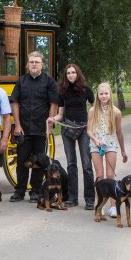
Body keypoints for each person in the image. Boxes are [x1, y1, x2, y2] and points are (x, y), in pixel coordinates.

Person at [9, 51, 59, 202]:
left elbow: (54, 103)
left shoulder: (49, 82)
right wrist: (17, 125)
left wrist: (49, 124)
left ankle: (36, 191)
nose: (34, 64)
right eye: (32, 62)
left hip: (41, 129)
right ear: (27, 65)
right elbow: (15, 102)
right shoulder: (21, 81)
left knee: (39, 162)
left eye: (37, 62)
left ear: (42, 64)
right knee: (22, 161)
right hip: (23, 129)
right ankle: (20, 191)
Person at [48, 64, 95, 209]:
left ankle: (89, 199)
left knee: (87, 165)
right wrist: (53, 119)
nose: (71, 75)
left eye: (73, 72)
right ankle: (73, 198)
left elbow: (95, 108)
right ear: (65, 75)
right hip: (68, 129)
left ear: (78, 74)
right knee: (71, 164)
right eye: (68, 73)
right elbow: (61, 114)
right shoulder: (62, 91)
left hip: (83, 129)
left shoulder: (86, 90)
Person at [87, 82, 127, 216]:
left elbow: (119, 132)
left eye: (106, 93)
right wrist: (95, 140)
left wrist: (123, 150)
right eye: (101, 94)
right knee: (100, 175)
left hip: (110, 144)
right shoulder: (93, 111)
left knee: (110, 175)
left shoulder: (116, 112)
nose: (104, 96)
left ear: (110, 94)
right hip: (96, 145)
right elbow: (88, 130)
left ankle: (113, 206)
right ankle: (100, 203)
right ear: (97, 96)